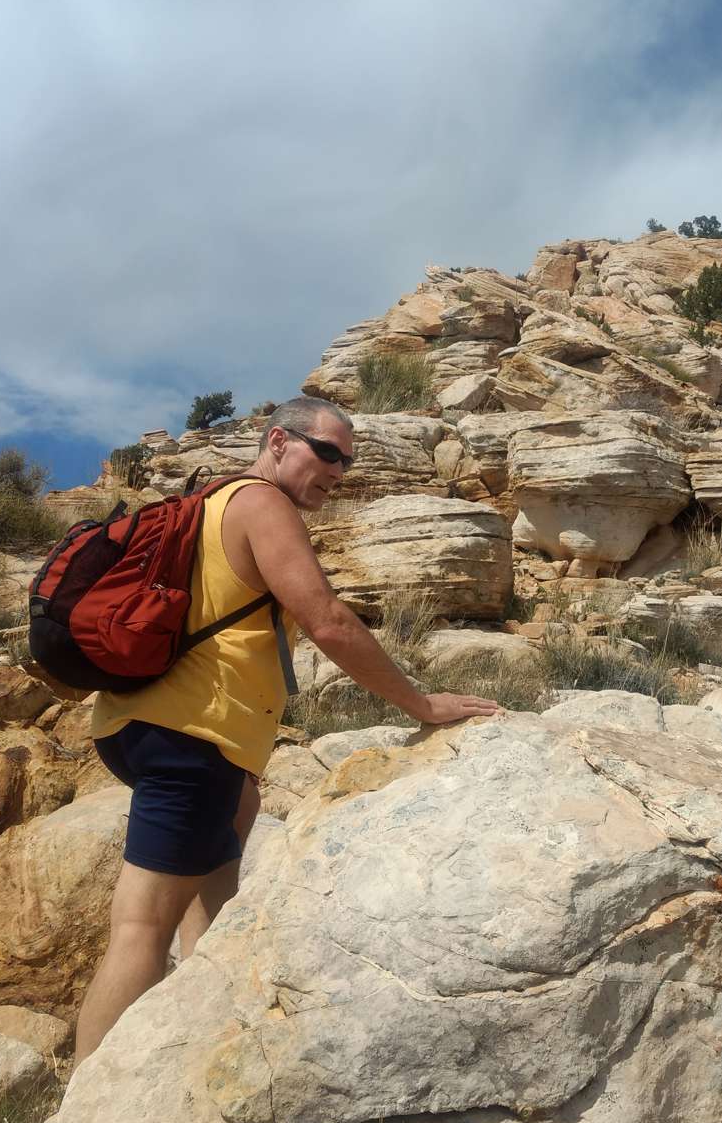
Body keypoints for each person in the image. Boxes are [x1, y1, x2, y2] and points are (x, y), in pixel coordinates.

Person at [70, 393, 500, 1060]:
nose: (338, 471)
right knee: (140, 930)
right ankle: (80, 1117)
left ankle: (194, 1049)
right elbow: (327, 620)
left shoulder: (211, 500)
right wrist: (421, 704)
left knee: (218, 890)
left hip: (149, 726)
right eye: (326, 452)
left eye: (347, 460)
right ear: (278, 442)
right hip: (191, 739)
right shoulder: (262, 503)